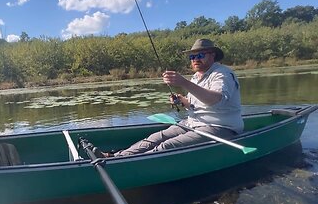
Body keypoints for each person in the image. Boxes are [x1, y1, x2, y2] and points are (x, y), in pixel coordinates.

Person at [95, 38, 243, 157]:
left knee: (167, 146)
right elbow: (194, 104)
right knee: (155, 138)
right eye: (192, 56)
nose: (195, 59)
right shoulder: (196, 77)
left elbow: (216, 100)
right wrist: (181, 100)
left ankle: (124, 166)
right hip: (193, 123)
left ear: (213, 55)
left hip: (220, 127)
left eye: (200, 55)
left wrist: (183, 82)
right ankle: (116, 157)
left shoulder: (222, 74)